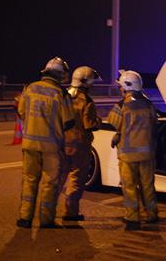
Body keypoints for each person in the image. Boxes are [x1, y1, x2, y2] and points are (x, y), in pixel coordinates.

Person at [16, 56, 75, 229]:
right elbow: (68, 122)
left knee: (29, 180)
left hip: (29, 145)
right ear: (60, 75)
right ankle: (46, 219)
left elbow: (21, 112)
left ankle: (24, 218)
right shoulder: (61, 93)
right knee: (50, 183)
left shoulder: (30, 88)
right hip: (51, 147)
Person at [107, 70, 158, 231]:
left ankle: (132, 218)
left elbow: (113, 123)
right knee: (148, 186)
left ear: (125, 87)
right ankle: (151, 214)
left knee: (129, 187)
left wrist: (119, 133)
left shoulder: (121, 105)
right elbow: (154, 123)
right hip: (147, 153)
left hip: (128, 155)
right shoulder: (149, 105)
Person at [60, 66, 102, 221]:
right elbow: (89, 125)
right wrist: (97, 121)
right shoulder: (86, 100)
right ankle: (70, 212)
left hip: (62, 143)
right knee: (76, 179)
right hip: (80, 145)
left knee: (58, 178)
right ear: (86, 82)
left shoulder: (63, 96)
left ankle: (47, 211)